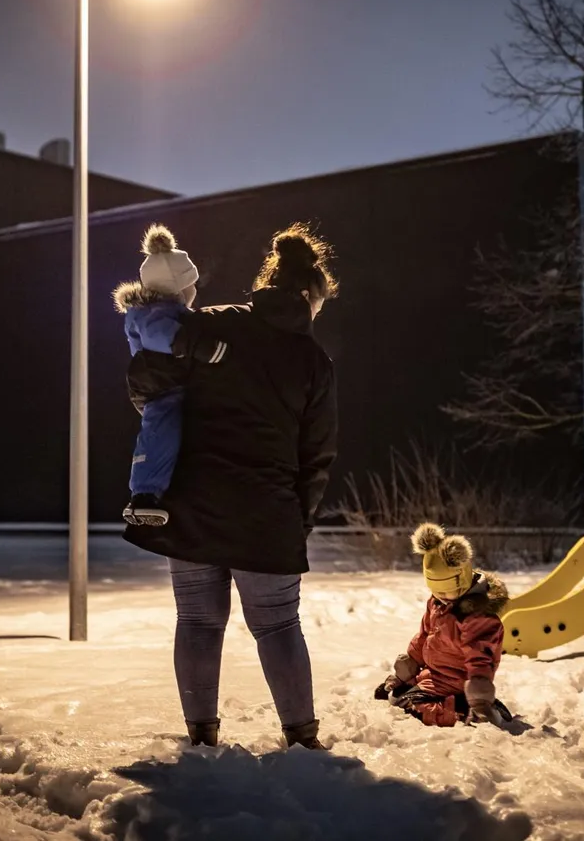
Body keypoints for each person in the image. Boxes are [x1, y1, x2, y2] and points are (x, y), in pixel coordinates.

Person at [123, 224, 339, 751]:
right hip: (266, 510)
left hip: (191, 500)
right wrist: (299, 520)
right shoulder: (312, 360)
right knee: (278, 625)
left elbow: (146, 381)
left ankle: (201, 738)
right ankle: (302, 740)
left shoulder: (211, 322)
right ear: (310, 296)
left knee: (197, 620)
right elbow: (318, 455)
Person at [111, 224, 229, 526]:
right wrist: (198, 346)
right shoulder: (150, 315)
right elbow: (158, 336)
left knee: (177, 428)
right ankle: (144, 494)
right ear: (177, 288)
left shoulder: (168, 311)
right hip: (158, 384)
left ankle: (167, 485)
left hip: (173, 381)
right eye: (191, 286)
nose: (195, 292)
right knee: (160, 429)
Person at [373, 523, 513, 727]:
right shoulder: (437, 603)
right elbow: (423, 637)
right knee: (399, 695)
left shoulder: (477, 617)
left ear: (463, 579)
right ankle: (455, 702)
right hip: (434, 676)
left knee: (407, 703)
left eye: (448, 591)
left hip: (458, 680)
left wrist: (480, 694)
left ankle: (465, 712)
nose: (442, 597)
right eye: (437, 591)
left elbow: (482, 659)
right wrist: (405, 673)